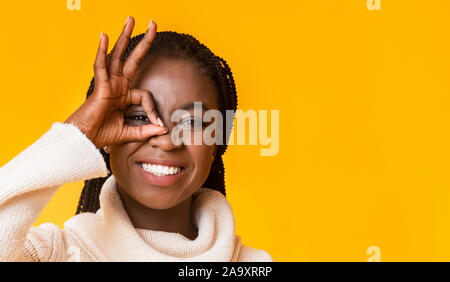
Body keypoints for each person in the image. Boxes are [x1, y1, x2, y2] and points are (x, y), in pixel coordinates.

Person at [0, 16, 273, 262]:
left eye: (192, 122)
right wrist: (79, 132)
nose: (167, 141)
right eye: (140, 117)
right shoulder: (53, 254)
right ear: (104, 136)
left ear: (216, 144)